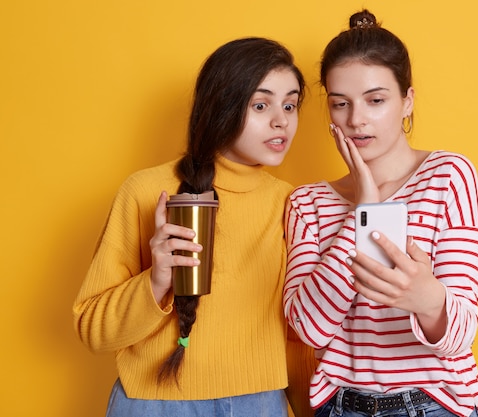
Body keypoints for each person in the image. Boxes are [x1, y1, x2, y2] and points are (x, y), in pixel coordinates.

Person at [73, 37, 313, 417]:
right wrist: (155, 281)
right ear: (222, 106)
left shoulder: (292, 202)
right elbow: (92, 327)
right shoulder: (146, 191)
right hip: (153, 404)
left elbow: (298, 336)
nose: (281, 120)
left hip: (261, 403)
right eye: (261, 104)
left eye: (290, 104)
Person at [283, 10, 478, 417]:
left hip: (437, 403)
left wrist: (428, 300)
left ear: (407, 100)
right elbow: (308, 328)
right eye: (341, 104)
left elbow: (460, 334)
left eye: (376, 100)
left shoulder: (449, 175)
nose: (356, 119)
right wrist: (366, 210)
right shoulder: (305, 202)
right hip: (340, 406)